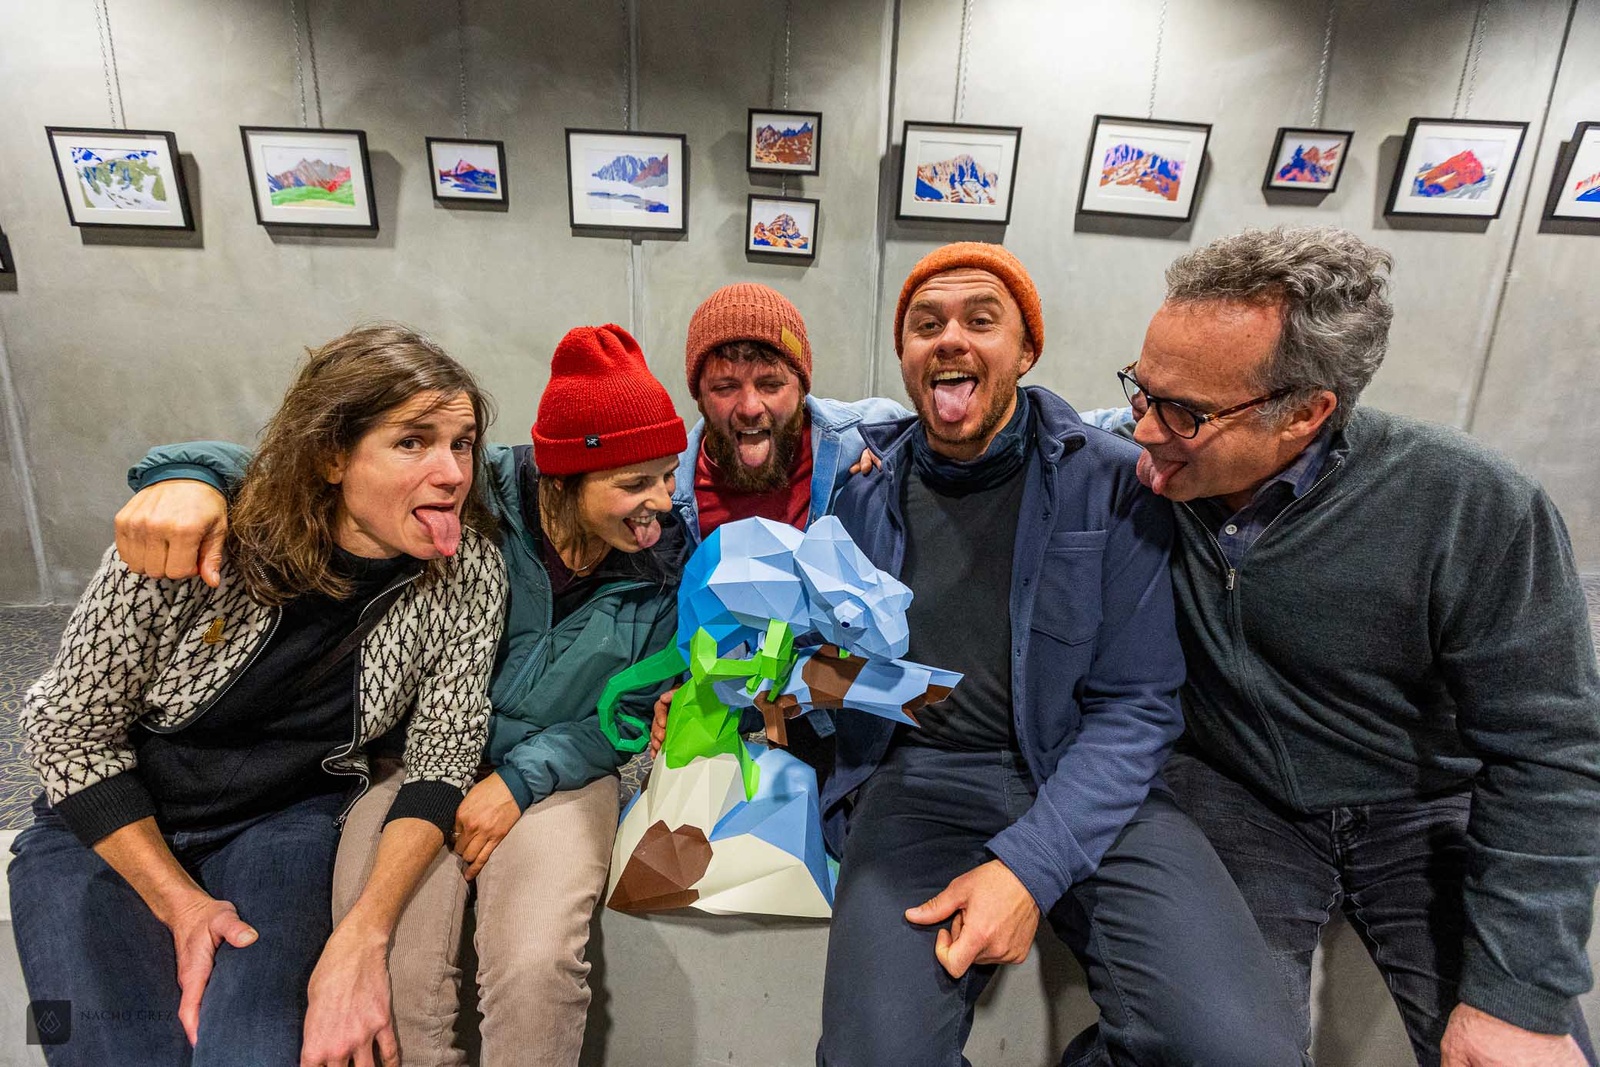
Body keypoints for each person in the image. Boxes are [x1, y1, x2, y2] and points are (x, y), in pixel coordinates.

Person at [691, 243, 1303, 1066]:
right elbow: (847, 661)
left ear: (1025, 350)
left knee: (1240, 1050)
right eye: (926, 325)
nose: (950, 338)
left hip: (1090, 781)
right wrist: (781, 690)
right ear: (904, 357)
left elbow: (1139, 706)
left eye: (981, 320)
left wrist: (1028, 869)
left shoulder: (1114, 483)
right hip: (917, 784)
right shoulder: (862, 489)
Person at [112, 323, 686, 1067]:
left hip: (559, 772)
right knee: (398, 971)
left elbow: (627, 718)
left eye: (669, 474)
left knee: (537, 964)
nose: (662, 501)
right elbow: (308, 471)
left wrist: (520, 779)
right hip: (409, 758)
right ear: (562, 476)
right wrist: (189, 475)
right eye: (636, 483)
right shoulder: (469, 492)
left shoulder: (665, 567)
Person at [1094, 226, 1600, 1067]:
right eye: (1141, 389)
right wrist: (872, 452)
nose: (1143, 428)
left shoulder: (1475, 505)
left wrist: (1520, 996)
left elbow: (1553, 752)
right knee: (1210, 1046)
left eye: (1183, 411)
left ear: (1306, 413)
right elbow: (1008, 431)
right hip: (1235, 788)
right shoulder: (1147, 460)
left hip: (1423, 802)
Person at [10, 324, 507, 1067]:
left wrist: (362, 936)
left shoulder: (466, 570)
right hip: (110, 821)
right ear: (333, 455)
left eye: (461, 444)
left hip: (284, 822)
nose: (451, 473)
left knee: (255, 1050)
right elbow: (67, 729)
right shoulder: (197, 543)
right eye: (412, 442)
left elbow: (443, 759)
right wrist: (180, 903)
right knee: (115, 1050)